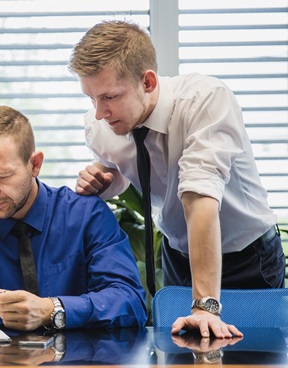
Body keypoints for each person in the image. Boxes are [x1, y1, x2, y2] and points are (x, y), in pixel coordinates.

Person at [69, 20, 285, 338]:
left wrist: (205, 305)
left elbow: (199, 199)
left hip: (248, 256)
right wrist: (105, 179)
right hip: (177, 254)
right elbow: (120, 167)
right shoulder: (101, 124)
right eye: (92, 99)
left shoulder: (206, 101)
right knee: (182, 364)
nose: (100, 112)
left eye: (109, 97)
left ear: (149, 81)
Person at [0, 105, 147, 331]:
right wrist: (24, 311)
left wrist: (52, 309)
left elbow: (128, 301)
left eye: (0, 176)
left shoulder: (87, 216)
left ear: (35, 165)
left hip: (78, 364)